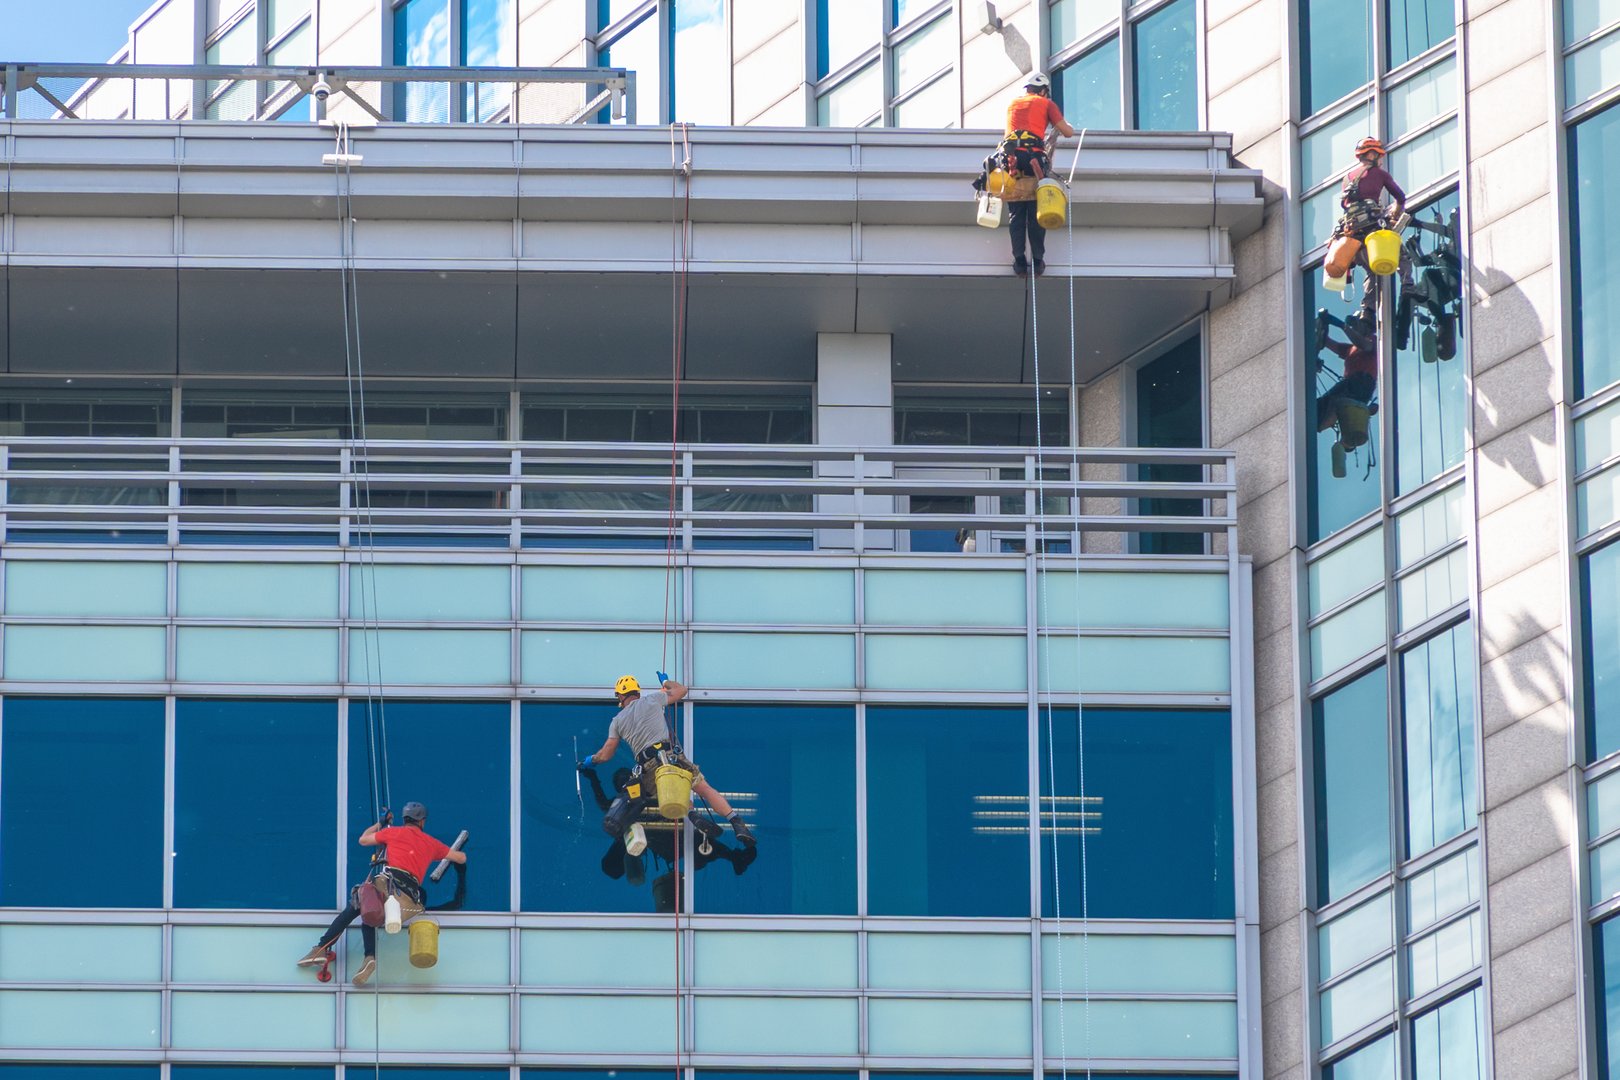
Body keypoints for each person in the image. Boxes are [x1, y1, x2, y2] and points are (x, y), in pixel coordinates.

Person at [297, 801, 467, 985]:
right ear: (422, 821)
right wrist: (457, 865)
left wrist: (380, 822)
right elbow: (460, 857)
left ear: (405, 819)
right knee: (370, 915)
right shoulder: (431, 843)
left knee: (357, 907)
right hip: (409, 900)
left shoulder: (394, 833)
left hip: (388, 886)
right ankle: (369, 958)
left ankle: (321, 948)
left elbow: (363, 839)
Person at [580, 674, 756, 847]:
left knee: (670, 793)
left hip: (648, 767)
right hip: (670, 757)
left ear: (620, 695)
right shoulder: (653, 700)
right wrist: (665, 681)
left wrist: (592, 761)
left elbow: (606, 753)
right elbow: (681, 690)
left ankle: (692, 814)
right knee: (704, 789)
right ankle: (736, 822)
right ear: (637, 692)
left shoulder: (617, 721)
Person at [1001, 72, 1075, 275]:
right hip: (1034, 157)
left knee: (1016, 214)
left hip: (1012, 161)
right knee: (1037, 210)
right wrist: (1069, 127)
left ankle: (1018, 260)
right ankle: (1037, 260)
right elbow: (1067, 132)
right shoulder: (1046, 103)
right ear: (1043, 90)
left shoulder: (1013, 104)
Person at [1315, 310, 1379, 433]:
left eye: (1356, 325)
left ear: (1367, 326)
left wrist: (1341, 325)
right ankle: (1317, 424)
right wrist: (1322, 328)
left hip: (1361, 383)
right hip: (1353, 386)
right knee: (1322, 407)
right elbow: (1329, 343)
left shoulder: (1373, 341)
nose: (1354, 328)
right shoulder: (1351, 349)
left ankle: (1317, 421)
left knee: (1323, 406)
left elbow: (1364, 345)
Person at [1337, 137, 1406, 244]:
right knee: (1398, 254)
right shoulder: (1380, 174)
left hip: (1351, 230)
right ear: (1372, 155)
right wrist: (1395, 211)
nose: (1381, 162)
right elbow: (1400, 197)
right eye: (1379, 157)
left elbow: (1346, 204)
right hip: (1371, 226)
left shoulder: (1347, 178)